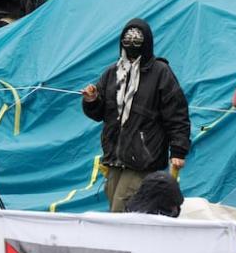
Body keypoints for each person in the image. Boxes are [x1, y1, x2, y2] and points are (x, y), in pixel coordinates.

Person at [82, 18, 191, 212]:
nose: (132, 44)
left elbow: (177, 114)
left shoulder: (161, 73)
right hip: (115, 156)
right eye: (128, 40)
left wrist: (178, 151)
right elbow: (99, 114)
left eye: (137, 40)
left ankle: (117, 242)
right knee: (114, 201)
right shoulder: (112, 73)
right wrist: (91, 100)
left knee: (122, 208)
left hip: (144, 159)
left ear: (146, 42)